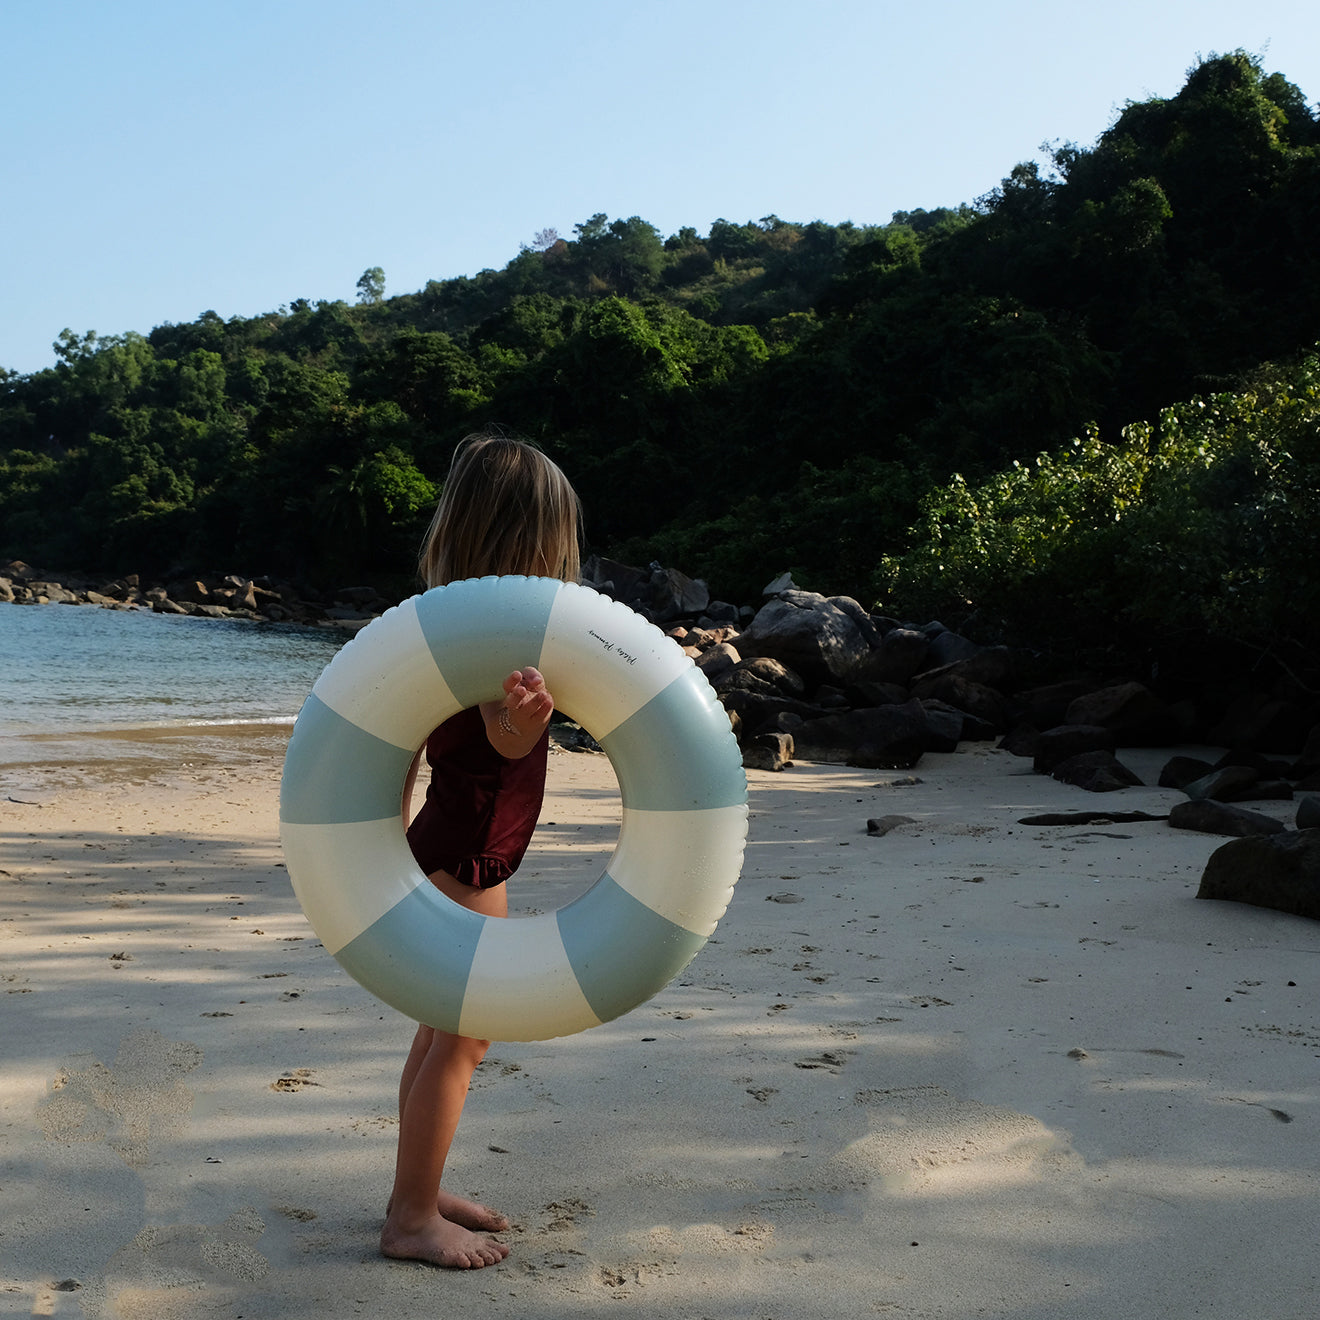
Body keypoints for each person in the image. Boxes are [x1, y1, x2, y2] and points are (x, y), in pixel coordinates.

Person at [380, 433, 582, 1269]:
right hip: (469, 855)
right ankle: (411, 1218)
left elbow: (405, 750)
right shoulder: (499, 639)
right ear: (534, 543)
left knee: (440, 1033)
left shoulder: (440, 628)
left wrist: (384, 855)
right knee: (465, 1038)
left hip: (448, 845)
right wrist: (520, 725)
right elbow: (496, 737)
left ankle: (417, 1190)